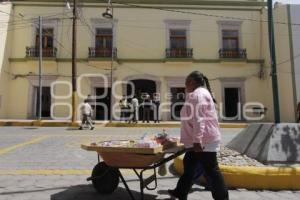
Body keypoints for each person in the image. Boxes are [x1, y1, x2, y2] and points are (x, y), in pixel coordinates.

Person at [168, 71, 228, 200]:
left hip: (203, 141)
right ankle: (180, 192)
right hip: (202, 139)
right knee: (189, 164)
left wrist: (197, 141)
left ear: (191, 82)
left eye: (186, 82)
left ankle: (222, 198)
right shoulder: (200, 93)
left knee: (212, 170)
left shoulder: (197, 95)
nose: (185, 85)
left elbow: (199, 119)